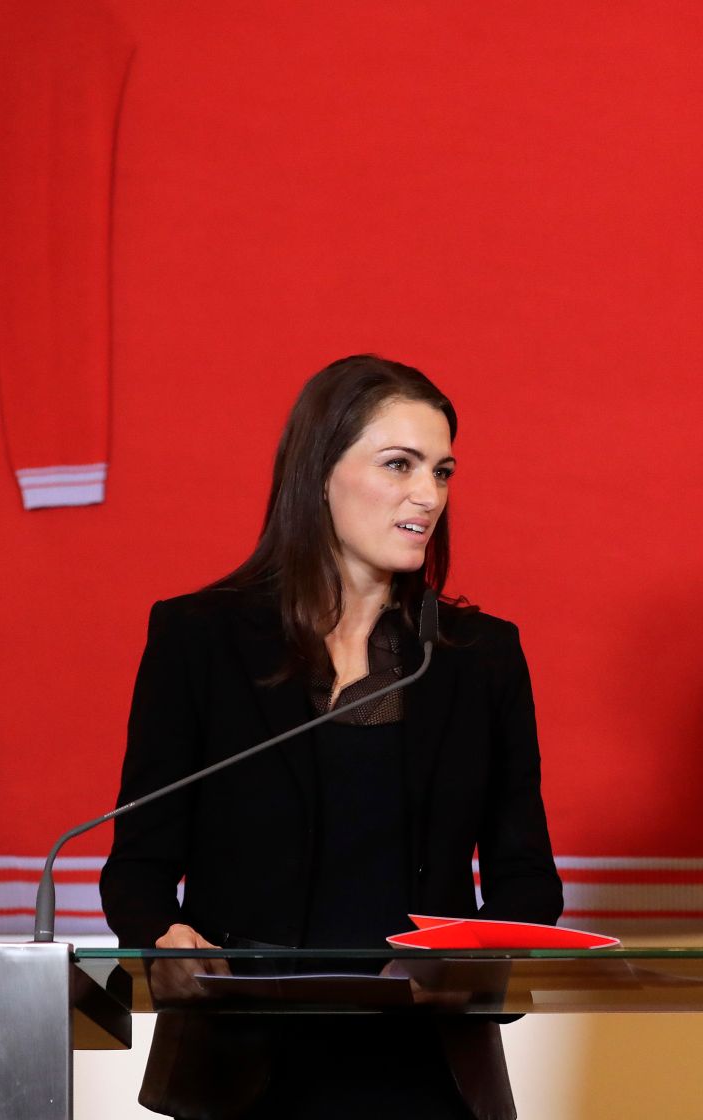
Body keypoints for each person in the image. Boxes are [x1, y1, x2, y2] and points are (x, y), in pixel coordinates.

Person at [100, 355, 563, 1120]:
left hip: (424, 1069)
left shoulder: (478, 657)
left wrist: (475, 963)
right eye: (399, 465)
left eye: (442, 472)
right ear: (320, 473)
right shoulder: (200, 640)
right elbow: (138, 867)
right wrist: (162, 938)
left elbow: (526, 879)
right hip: (239, 1071)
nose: (429, 496)